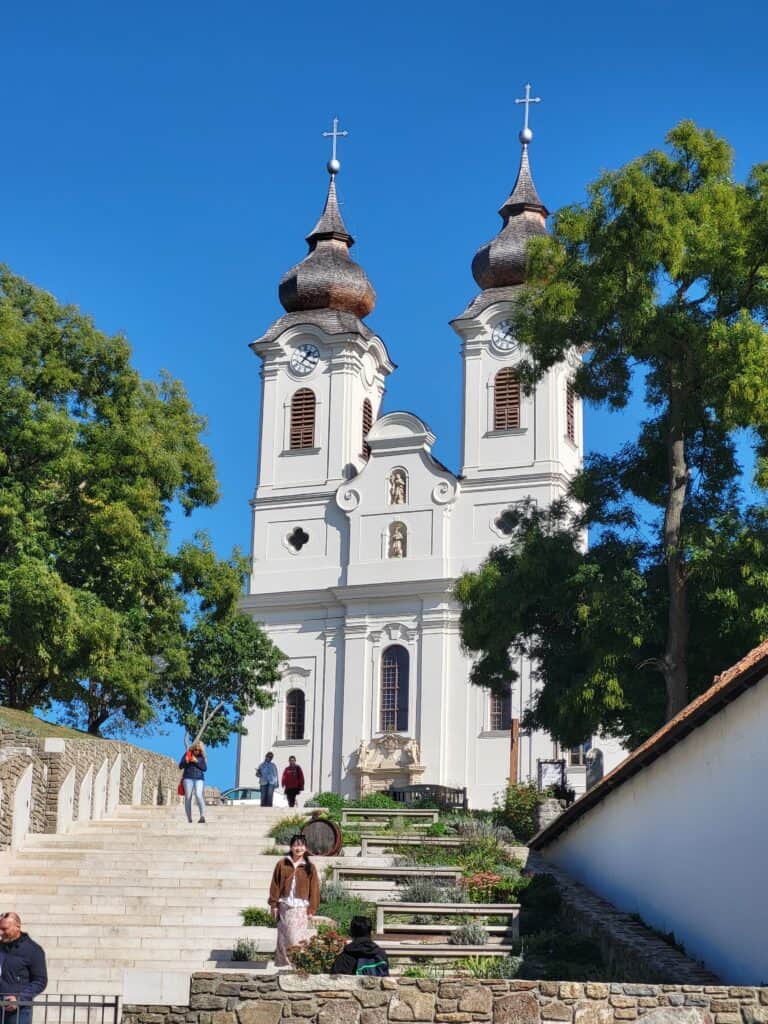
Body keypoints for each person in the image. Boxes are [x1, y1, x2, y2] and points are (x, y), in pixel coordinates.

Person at [268, 833, 320, 968]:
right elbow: (275, 885)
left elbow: (314, 889)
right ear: (291, 847)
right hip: (285, 906)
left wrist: (312, 909)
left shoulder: (310, 867)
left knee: (296, 939)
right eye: (296, 845)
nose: (299, 848)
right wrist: (274, 905)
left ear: (306, 848)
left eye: (301, 845)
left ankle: (297, 965)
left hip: (301, 908)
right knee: (284, 938)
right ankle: (287, 966)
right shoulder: (281, 864)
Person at [0, 912, 48, 1024]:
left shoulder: (33, 950)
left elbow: (40, 981)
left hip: (18, 1011)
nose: (1, 933)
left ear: (17, 927)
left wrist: (19, 999)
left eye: (4, 929)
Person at [178, 741, 207, 823]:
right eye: (195, 749)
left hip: (199, 778)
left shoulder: (201, 757)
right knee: (188, 797)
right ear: (193, 749)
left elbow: (204, 768)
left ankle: (202, 816)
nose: (196, 751)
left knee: (198, 795)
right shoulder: (187, 754)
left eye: (198, 750)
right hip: (188, 777)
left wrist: (197, 761)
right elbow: (180, 766)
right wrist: (185, 762)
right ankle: (189, 818)